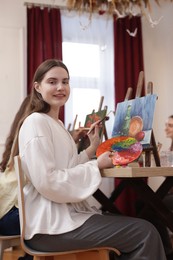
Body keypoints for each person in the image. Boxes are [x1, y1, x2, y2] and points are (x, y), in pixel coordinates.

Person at [11, 59, 166, 260]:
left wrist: (92, 149)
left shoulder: (53, 123)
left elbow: (68, 168)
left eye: (65, 82)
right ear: (37, 87)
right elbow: (48, 182)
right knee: (145, 232)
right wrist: (96, 165)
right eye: (52, 82)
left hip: (57, 221)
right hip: (50, 228)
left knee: (142, 228)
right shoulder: (36, 123)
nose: (60, 87)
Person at [0, 95, 33, 260]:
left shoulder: (15, 144)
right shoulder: (29, 142)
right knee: (46, 209)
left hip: (6, 216)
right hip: (8, 219)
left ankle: (30, 256)